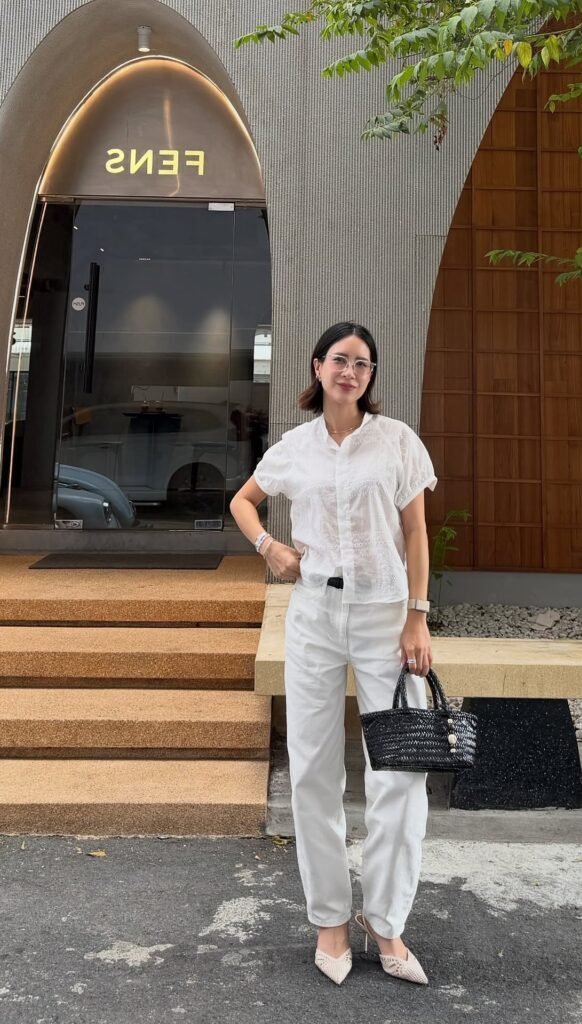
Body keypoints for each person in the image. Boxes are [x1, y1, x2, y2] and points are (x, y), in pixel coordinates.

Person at [229, 321, 437, 986]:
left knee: (399, 772)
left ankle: (387, 922)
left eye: (364, 363)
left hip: (384, 616)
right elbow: (243, 500)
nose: (351, 371)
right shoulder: (294, 449)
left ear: (370, 378)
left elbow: (415, 533)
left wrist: (417, 616)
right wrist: (272, 549)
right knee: (314, 768)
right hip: (315, 613)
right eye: (340, 360)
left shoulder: (396, 441)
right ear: (317, 367)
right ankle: (328, 921)